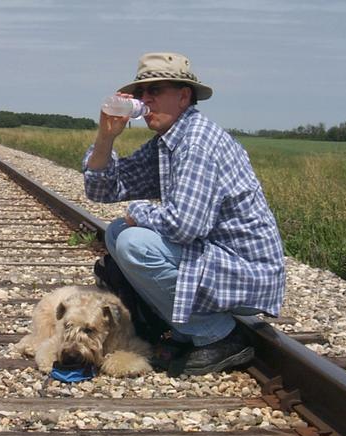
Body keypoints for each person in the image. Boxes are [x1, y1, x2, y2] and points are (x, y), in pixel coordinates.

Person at [82, 52, 286, 376]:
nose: (145, 101)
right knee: (118, 233)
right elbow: (103, 190)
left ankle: (219, 335)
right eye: (140, 94)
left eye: (155, 91)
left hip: (246, 273)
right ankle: (182, 327)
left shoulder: (196, 141)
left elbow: (186, 226)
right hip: (215, 262)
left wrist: (139, 211)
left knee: (134, 242)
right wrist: (106, 137)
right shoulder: (166, 142)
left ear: (183, 95)